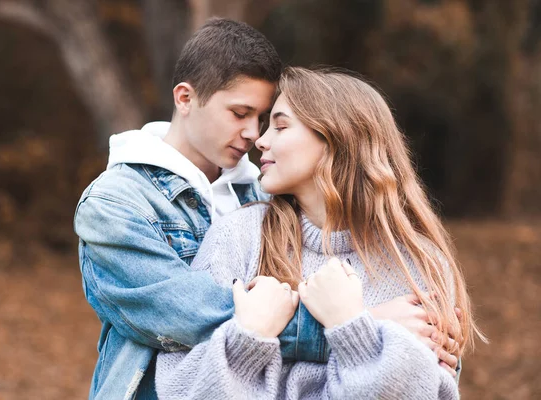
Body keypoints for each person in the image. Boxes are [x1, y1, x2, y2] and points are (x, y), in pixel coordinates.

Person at [75, 19, 460, 400]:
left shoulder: (263, 190)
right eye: (240, 114)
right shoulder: (116, 204)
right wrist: (363, 328)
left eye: (264, 119)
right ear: (185, 98)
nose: (255, 135)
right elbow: (187, 316)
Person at [155, 67, 484, 399]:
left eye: (281, 126)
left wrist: (352, 329)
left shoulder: (420, 265)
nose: (261, 140)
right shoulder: (238, 238)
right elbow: (180, 388)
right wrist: (248, 340)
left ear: (337, 140)